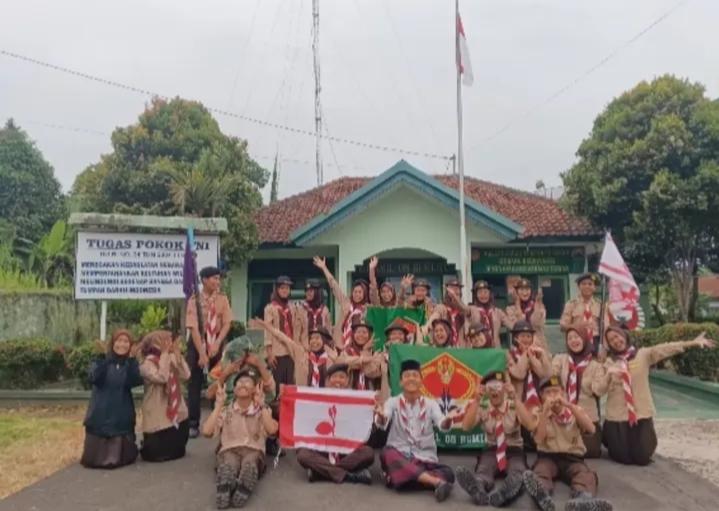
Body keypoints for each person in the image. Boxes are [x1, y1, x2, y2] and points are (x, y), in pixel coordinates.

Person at [602, 326, 715, 466]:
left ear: (624, 335)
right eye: (611, 340)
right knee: (622, 457)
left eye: (617, 336)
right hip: (618, 415)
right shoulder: (609, 362)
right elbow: (600, 389)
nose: (616, 341)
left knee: (642, 457)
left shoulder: (643, 354)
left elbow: (666, 348)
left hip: (640, 413)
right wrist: (608, 374)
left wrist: (692, 343)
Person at [521, 376, 613, 511]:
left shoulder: (574, 410)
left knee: (584, 475)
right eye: (548, 392)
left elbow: (591, 429)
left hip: (572, 458)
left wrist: (569, 405)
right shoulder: (538, 413)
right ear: (541, 395)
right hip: (548, 456)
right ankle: (542, 496)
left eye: (556, 391)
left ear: (563, 393)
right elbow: (539, 439)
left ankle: (582, 500)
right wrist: (545, 413)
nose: (553, 396)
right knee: (541, 472)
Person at [375, 359, 457, 502]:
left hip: (424, 459)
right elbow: (383, 420)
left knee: (449, 473)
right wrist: (381, 417)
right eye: (407, 376)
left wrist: (448, 420)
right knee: (387, 453)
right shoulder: (392, 402)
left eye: (415, 375)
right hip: (400, 456)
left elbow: (442, 424)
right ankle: (435, 482)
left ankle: (401, 479)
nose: (411, 379)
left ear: (421, 381)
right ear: (401, 382)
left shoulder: (431, 404)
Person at [203, 368, 279, 509]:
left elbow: (272, 430)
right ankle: (226, 484)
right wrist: (218, 405)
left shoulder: (262, 410)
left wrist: (262, 405)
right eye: (239, 382)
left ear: (255, 389)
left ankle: (243, 487)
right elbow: (206, 432)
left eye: (248, 382)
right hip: (229, 450)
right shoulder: (226, 410)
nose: (243, 384)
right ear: (234, 389)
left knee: (250, 463)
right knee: (229, 463)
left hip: (253, 450)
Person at [455, 372, 527, 507]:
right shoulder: (483, 406)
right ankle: (478, 489)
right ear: (486, 390)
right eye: (491, 387)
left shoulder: (513, 404)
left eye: (498, 386)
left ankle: (506, 493)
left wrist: (516, 398)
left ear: (504, 388)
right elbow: (465, 427)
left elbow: (530, 425)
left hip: (513, 450)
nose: (495, 391)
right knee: (483, 471)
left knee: (518, 471)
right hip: (492, 449)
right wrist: (476, 400)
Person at [296, 363, 376, 484]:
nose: (338, 380)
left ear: (347, 381)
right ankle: (347, 475)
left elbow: (367, 428)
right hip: (322, 448)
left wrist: (374, 412)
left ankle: (322, 471)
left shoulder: (356, 399)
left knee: (368, 453)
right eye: (334, 377)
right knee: (303, 454)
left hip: (346, 449)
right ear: (328, 381)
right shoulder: (317, 397)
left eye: (342, 377)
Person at [81, 329, 143, 469]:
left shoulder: (129, 364)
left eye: (126, 341)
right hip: (101, 409)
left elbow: (135, 380)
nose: (122, 344)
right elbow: (94, 378)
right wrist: (106, 358)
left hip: (121, 409)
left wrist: (132, 359)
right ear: (112, 343)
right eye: (119, 341)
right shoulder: (100, 360)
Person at [186, 265, 233, 438]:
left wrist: (217, 344)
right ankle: (193, 424)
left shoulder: (222, 299)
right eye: (214, 278)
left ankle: (217, 420)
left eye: (218, 278)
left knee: (219, 380)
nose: (217, 282)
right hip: (198, 343)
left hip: (217, 342)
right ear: (204, 280)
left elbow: (227, 323)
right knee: (194, 384)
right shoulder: (194, 300)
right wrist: (202, 353)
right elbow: (193, 328)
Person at [552, 326, 609, 458]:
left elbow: (599, 391)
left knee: (590, 452)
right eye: (570, 338)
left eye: (577, 337)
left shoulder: (595, 365)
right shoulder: (561, 359)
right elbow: (551, 376)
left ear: (584, 339)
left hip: (587, 416)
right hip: (564, 414)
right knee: (562, 450)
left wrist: (608, 373)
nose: (573, 341)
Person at [139, 330, 191, 462]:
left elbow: (186, 375)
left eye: (169, 340)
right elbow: (162, 377)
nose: (168, 343)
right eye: (163, 341)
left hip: (176, 406)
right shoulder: (146, 364)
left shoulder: (169, 357)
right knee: (156, 452)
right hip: (157, 408)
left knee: (177, 447)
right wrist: (165, 355)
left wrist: (178, 356)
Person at [250, 318, 338, 388]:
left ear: (324, 340)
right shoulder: (301, 354)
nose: (314, 341)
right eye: (311, 338)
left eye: (317, 338)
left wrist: (335, 359)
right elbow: (283, 338)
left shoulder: (332, 359)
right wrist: (267, 326)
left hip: (325, 401)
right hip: (303, 400)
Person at [507, 320, 551, 450]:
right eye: (522, 336)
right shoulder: (509, 354)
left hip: (537, 401)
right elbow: (519, 373)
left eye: (528, 336)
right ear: (515, 338)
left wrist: (539, 356)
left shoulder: (538, 353)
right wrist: (525, 355)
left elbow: (546, 374)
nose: (526, 339)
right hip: (519, 401)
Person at [313, 256, 369, 348]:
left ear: (364, 294)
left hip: (358, 345)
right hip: (340, 343)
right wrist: (324, 268)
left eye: (360, 292)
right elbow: (334, 285)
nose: (357, 294)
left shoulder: (367, 309)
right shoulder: (346, 302)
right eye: (355, 292)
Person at [264, 275, 298, 394]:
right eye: (282, 288)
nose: (285, 291)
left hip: (291, 352)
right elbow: (268, 331)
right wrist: (269, 353)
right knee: (277, 386)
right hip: (277, 352)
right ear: (277, 290)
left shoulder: (293, 307)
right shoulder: (270, 308)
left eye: (287, 288)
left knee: (290, 384)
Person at [560, 273, 609, 349]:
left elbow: (605, 327)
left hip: (596, 341)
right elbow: (563, 327)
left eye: (590, 284)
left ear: (594, 287)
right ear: (578, 286)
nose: (587, 286)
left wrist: (604, 347)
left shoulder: (600, 305)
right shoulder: (571, 304)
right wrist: (579, 326)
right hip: (577, 340)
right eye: (583, 284)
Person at [425, 278, 471, 347]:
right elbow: (435, 315)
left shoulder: (464, 310)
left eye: (457, 289)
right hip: (445, 347)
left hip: (461, 348)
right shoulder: (442, 307)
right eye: (452, 289)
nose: (454, 292)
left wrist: (455, 297)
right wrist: (427, 325)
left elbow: (466, 311)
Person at [338, 318, 381, 390]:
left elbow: (371, 373)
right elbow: (343, 363)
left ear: (370, 335)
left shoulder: (376, 354)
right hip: (349, 392)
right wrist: (363, 360)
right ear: (353, 334)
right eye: (358, 332)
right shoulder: (346, 352)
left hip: (370, 393)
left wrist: (365, 350)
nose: (361, 335)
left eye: (364, 332)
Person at [505, 278, 548, 351]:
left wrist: (537, 304)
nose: (525, 292)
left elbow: (538, 323)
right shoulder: (510, 309)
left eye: (527, 289)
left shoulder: (539, 306)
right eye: (521, 289)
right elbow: (517, 326)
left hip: (538, 345)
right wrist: (517, 304)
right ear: (516, 292)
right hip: (519, 347)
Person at [468, 281, 510, 348]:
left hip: (495, 349)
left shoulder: (498, 311)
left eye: (485, 292)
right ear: (475, 295)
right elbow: (461, 307)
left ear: (490, 294)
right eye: (480, 292)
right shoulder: (470, 309)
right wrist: (454, 296)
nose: (483, 295)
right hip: (476, 348)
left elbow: (512, 326)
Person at [296, 279, 331, 346]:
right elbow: (297, 334)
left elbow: (328, 331)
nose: (308, 293)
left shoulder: (324, 310)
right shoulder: (300, 309)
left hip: (322, 347)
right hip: (305, 348)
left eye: (311, 291)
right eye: (306, 291)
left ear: (317, 292)